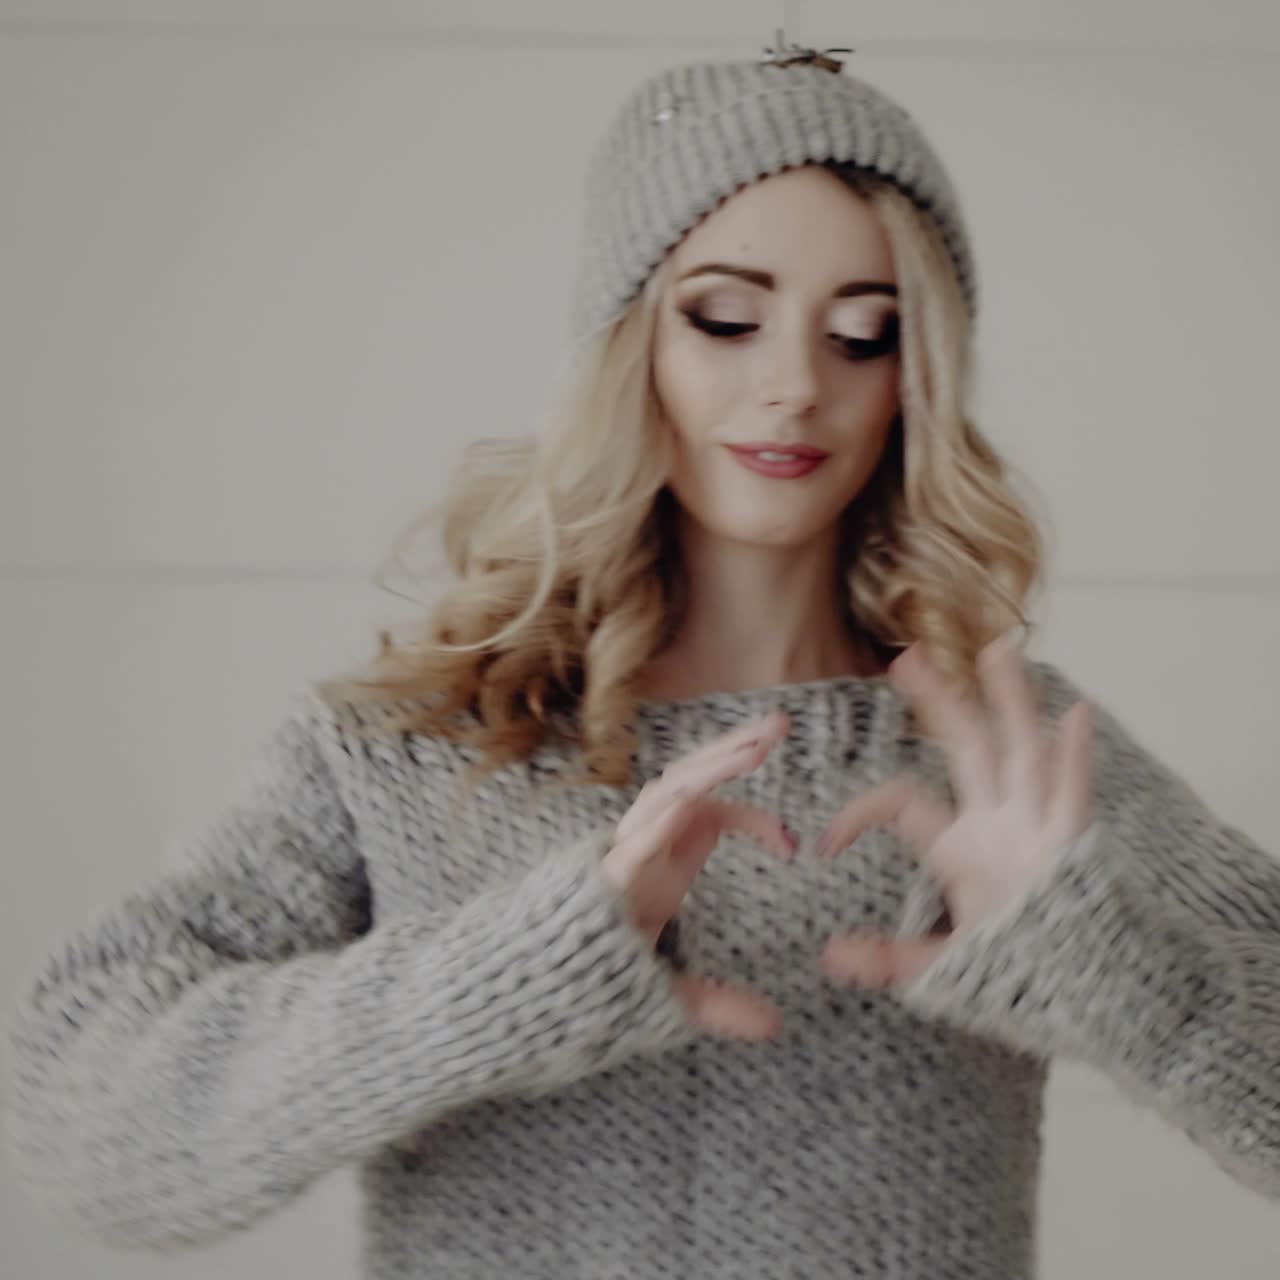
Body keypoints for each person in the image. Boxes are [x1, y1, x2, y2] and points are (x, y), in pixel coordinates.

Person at [7, 36, 1280, 1280]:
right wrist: (518, 975)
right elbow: (68, 1117)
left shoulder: (1004, 756)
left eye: (861, 333)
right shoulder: (412, 747)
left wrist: (1107, 966)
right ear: (630, 346)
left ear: (915, 378)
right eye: (725, 319)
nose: (792, 385)